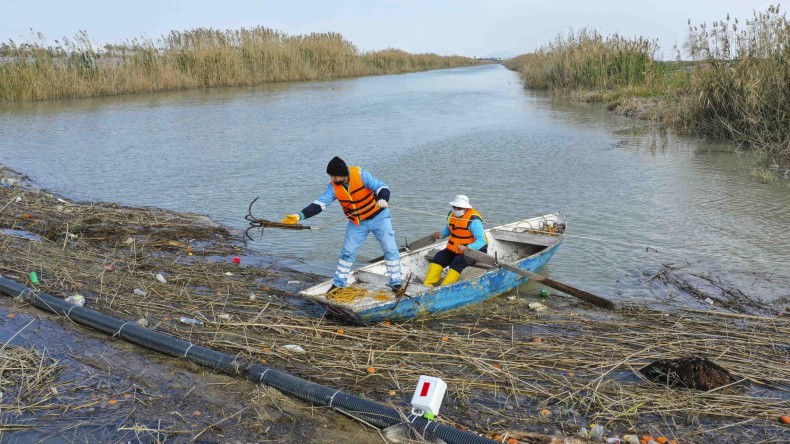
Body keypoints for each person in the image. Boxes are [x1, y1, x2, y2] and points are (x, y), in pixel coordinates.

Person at [281, 156, 402, 293]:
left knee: (390, 250)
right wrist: (299, 216)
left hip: (379, 217)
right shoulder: (333, 186)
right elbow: (320, 204)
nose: (332, 179)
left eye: (334, 176)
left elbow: (382, 187)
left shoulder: (360, 175)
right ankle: (338, 284)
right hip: (357, 223)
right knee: (347, 252)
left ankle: (396, 283)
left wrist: (383, 199)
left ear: (343, 175)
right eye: (331, 176)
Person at [423, 194, 488, 287]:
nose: (456, 210)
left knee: (457, 262)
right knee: (439, 257)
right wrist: (440, 235)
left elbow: (482, 241)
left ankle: (445, 287)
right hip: (456, 248)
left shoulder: (474, 220)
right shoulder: (451, 215)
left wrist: (467, 248)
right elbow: (448, 230)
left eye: (459, 208)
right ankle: (427, 285)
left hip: (474, 250)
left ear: (465, 208)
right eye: (455, 207)